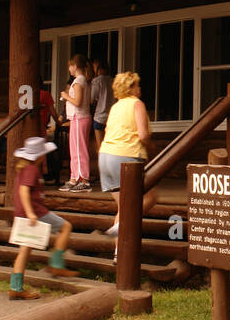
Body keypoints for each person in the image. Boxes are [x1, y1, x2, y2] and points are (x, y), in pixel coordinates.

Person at [9, 137, 77, 300]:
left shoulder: (25, 168)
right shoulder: (31, 169)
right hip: (35, 213)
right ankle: (56, 265)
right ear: (40, 155)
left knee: (24, 250)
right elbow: (24, 191)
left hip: (25, 213)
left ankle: (15, 288)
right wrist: (31, 213)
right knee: (65, 227)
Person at [98, 71, 158, 246]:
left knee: (123, 207)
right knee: (149, 198)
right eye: (137, 85)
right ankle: (121, 227)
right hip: (125, 157)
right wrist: (151, 147)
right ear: (130, 87)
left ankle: (119, 251)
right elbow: (143, 134)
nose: (139, 88)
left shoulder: (115, 106)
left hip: (105, 157)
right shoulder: (137, 104)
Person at [60, 55, 92, 191]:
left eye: (70, 66)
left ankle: (84, 179)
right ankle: (74, 178)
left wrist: (66, 96)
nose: (69, 69)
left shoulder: (80, 80)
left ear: (75, 66)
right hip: (76, 118)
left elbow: (78, 102)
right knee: (74, 149)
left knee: (79, 149)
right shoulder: (80, 80)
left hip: (80, 117)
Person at [89, 58, 111, 153]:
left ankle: (102, 167)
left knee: (100, 148)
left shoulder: (97, 81)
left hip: (99, 117)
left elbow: (91, 99)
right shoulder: (113, 80)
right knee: (111, 147)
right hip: (111, 117)